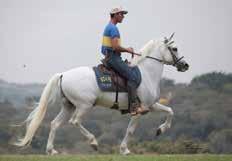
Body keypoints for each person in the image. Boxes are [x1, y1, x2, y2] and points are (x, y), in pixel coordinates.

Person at [101, 7, 149, 115]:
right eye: (121, 14)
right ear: (115, 15)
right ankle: (133, 107)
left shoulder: (109, 27)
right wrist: (128, 49)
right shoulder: (113, 29)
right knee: (132, 77)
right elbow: (115, 47)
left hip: (110, 57)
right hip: (113, 58)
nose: (123, 16)